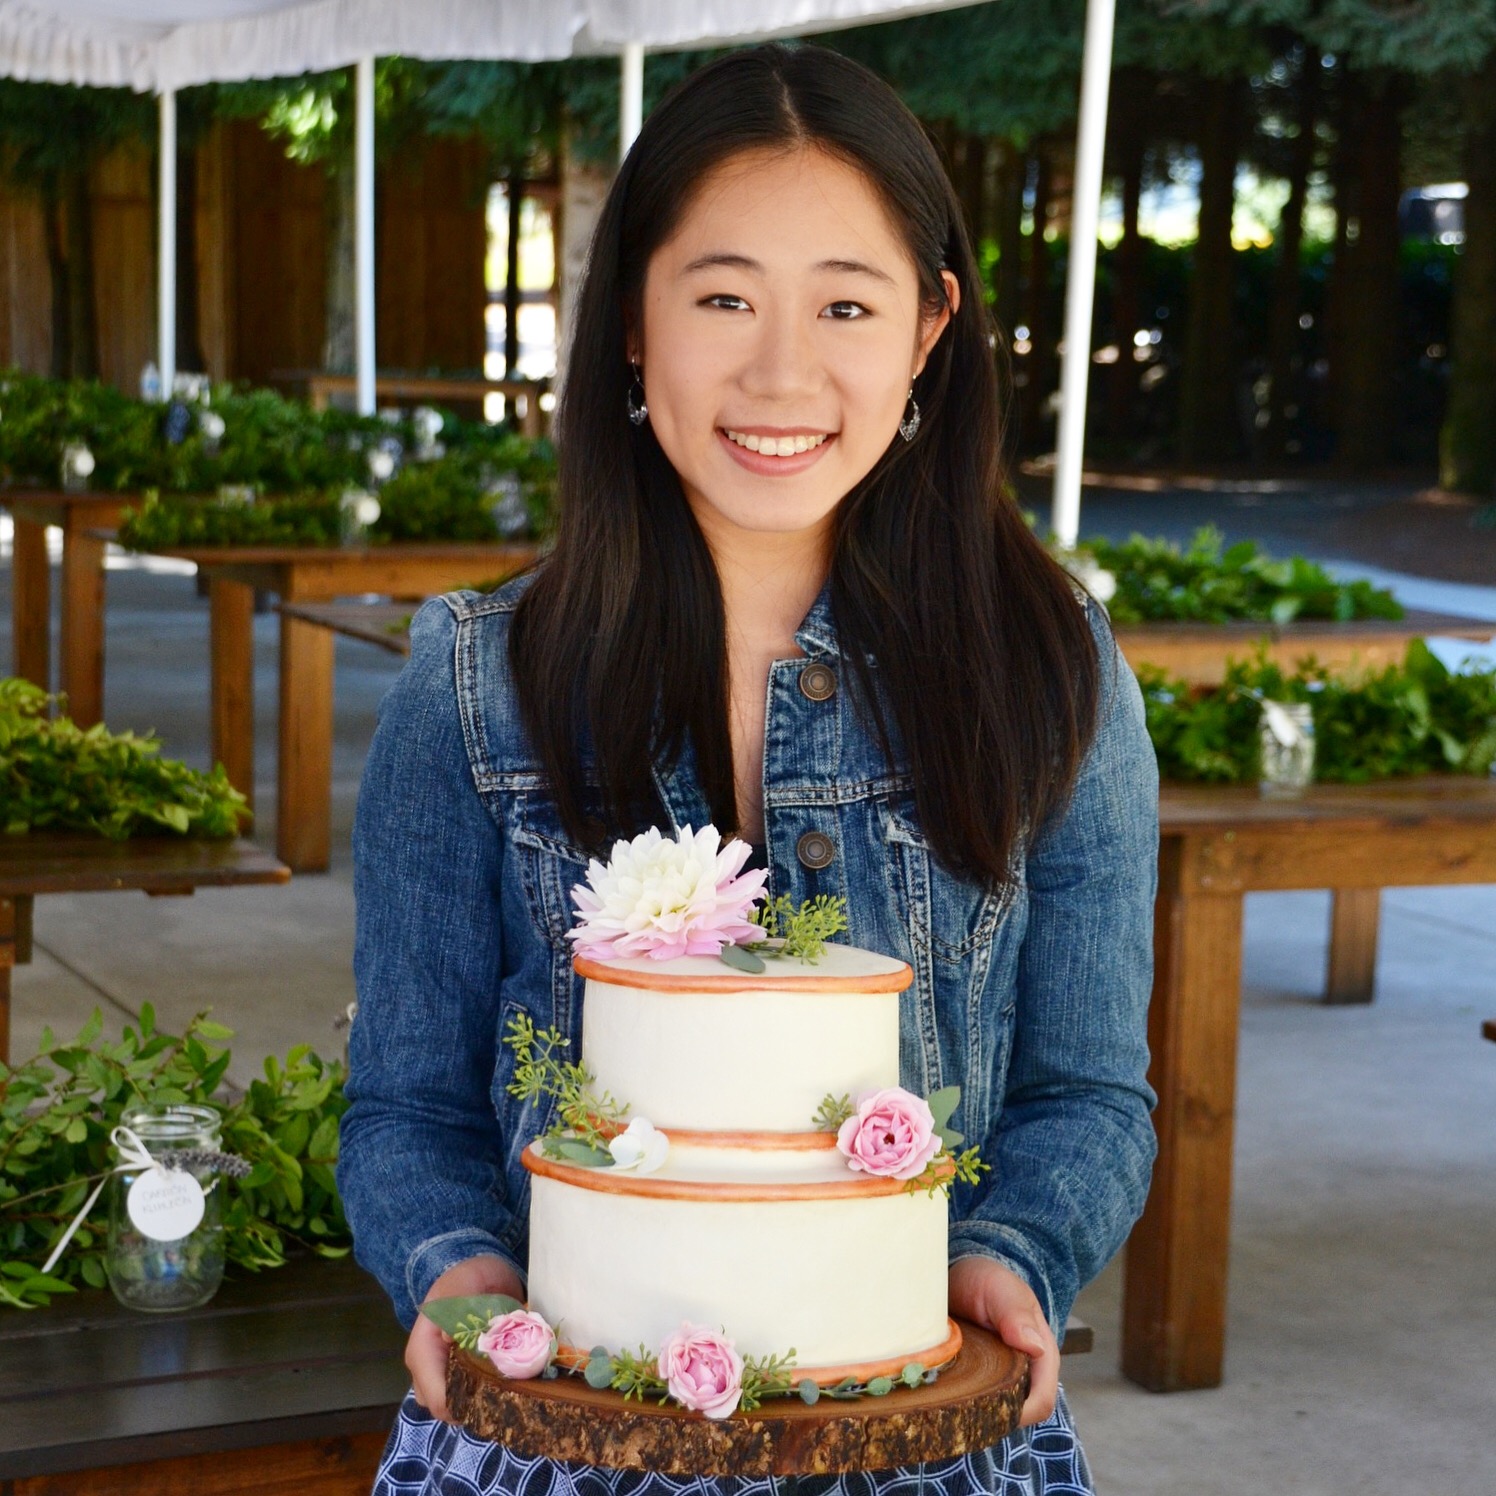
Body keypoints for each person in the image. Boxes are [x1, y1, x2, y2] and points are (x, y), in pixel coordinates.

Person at [340, 41, 1158, 1496]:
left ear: (928, 330)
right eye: (723, 298)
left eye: (846, 304)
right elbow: (407, 1107)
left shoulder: (1052, 671)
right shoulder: (474, 683)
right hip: (558, 1438)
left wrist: (1007, 1253)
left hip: (923, 1438)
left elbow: (1089, 1090)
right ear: (634, 326)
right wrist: (454, 1273)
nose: (782, 372)